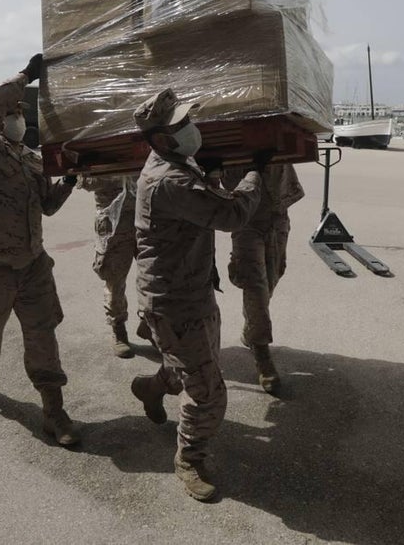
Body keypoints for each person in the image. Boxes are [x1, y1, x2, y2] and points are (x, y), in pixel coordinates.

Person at [127, 88, 265, 501]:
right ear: (160, 138)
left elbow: (201, 199)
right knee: (207, 392)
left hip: (190, 290)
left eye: (189, 120)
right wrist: (255, 174)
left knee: (189, 367)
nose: (191, 128)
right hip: (173, 302)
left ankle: (151, 388)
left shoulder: (175, 164)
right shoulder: (168, 179)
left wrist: (213, 176)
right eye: (181, 125)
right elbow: (230, 214)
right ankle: (190, 459)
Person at [0, 54, 81, 447]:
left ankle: (54, 410)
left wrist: (68, 182)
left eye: (20, 113)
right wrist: (25, 76)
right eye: (12, 112)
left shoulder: (30, 158)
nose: (16, 118)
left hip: (32, 264)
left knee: (43, 336)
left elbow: (47, 206)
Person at [222, 163, 304, 394]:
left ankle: (252, 330)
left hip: (277, 213)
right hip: (246, 217)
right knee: (255, 286)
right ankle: (262, 354)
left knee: (272, 278)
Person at [79, 174, 139, 357]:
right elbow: (86, 182)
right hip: (114, 222)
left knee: (156, 277)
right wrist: (116, 173)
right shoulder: (97, 154)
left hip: (147, 215)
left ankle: (152, 326)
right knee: (115, 279)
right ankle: (118, 328)